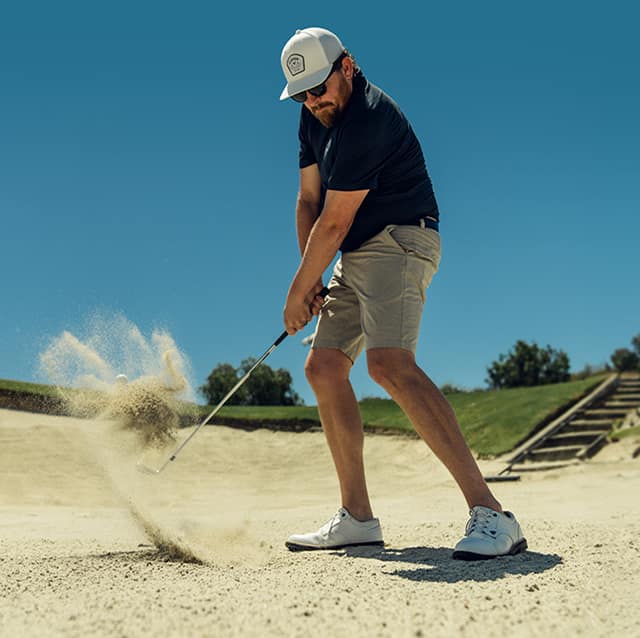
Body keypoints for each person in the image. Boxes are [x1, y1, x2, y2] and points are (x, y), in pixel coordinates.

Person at [279, 27, 526, 560]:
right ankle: (358, 518)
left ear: (346, 66)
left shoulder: (369, 117)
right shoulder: (311, 114)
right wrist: (312, 279)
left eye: (318, 88)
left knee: (389, 363)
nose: (312, 101)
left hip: (401, 237)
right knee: (323, 368)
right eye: (301, 94)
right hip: (355, 248)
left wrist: (298, 291)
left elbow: (336, 221)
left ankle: (493, 515)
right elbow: (309, 201)